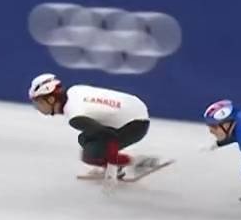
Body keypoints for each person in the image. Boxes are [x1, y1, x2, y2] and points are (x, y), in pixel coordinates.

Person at [28, 73, 161, 181]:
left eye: (38, 102)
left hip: (135, 125)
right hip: (135, 109)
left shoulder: (75, 115)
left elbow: (109, 135)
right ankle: (119, 164)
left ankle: (136, 163)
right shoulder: (74, 90)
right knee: (84, 139)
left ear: (51, 99)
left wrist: (112, 168)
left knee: (91, 154)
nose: (37, 107)